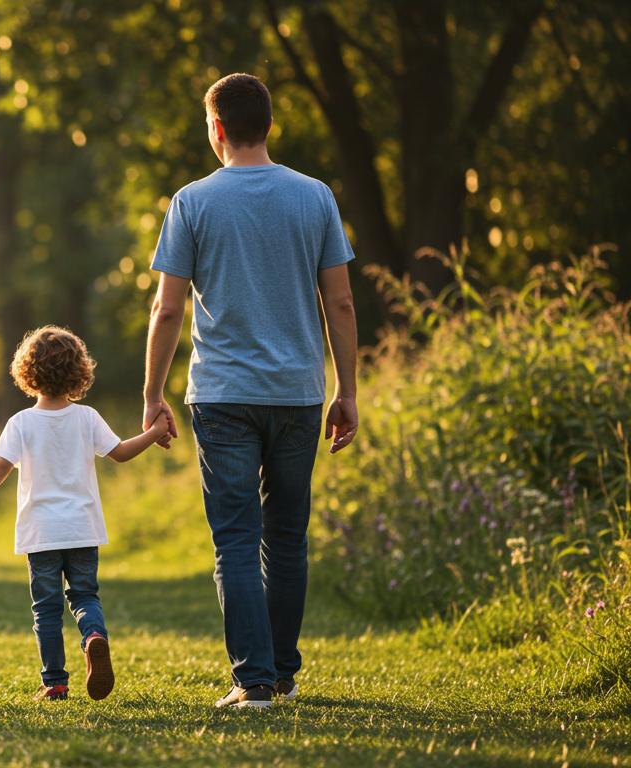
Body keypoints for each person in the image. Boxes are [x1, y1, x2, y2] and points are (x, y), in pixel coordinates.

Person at [143, 74, 360, 709]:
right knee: (287, 536)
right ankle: (283, 675)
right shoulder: (315, 197)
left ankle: (254, 680)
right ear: (269, 124)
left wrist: (153, 393)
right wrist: (347, 390)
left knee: (236, 538)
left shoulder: (191, 202)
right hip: (297, 394)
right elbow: (340, 302)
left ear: (216, 128)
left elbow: (166, 310)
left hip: (223, 396)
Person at [0, 327, 169, 702]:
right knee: (84, 596)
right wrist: (155, 430)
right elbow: (122, 452)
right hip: (82, 528)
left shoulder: (21, 423)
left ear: (26, 373)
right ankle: (93, 635)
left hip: (41, 532)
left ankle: (55, 683)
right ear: (79, 372)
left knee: (46, 609)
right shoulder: (87, 417)